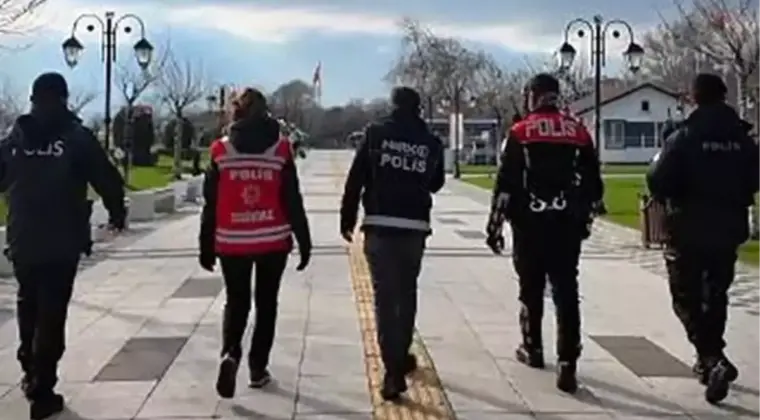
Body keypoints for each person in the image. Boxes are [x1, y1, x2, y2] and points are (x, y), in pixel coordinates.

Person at [0, 72, 126, 420]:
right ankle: (43, 388)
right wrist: (117, 213)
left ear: (33, 98)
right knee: (52, 312)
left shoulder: (15, 138)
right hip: (62, 239)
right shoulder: (76, 138)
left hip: (23, 238)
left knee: (28, 302)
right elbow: (106, 177)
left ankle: (29, 368)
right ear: (65, 98)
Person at [485, 73, 603, 394]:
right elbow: (594, 185)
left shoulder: (520, 133)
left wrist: (494, 227)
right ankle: (568, 361)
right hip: (566, 227)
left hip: (529, 226)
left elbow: (505, 186)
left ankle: (532, 347)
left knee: (531, 288)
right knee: (566, 292)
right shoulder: (578, 132)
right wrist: (585, 219)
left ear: (532, 96)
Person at [647, 73, 760, 404]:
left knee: (685, 294)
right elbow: (754, 177)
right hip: (727, 227)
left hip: (687, 227)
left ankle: (711, 356)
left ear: (695, 98)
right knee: (716, 292)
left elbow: (658, 178)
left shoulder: (684, 136)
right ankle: (710, 356)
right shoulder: (742, 139)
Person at [198, 87, 312, 399]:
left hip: (231, 240)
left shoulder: (221, 150)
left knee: (236, 301)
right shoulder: (281, 149)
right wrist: (304, 239)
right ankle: (258, 368)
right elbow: (292, 198)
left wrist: (205, 244)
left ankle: (230, 354)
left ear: (236, 113)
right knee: (266, 304)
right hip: (272, 240)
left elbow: (211, 203)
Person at [340, 86, 445, 401]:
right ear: (418, 109)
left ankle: (392, 370)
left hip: (380, 224)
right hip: (414, 226)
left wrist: (346, 218)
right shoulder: (430, 142)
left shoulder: (375, 134)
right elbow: (436, 183)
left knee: (385, 298)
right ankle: (402, 354)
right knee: (407, 292)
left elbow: (356, 177)